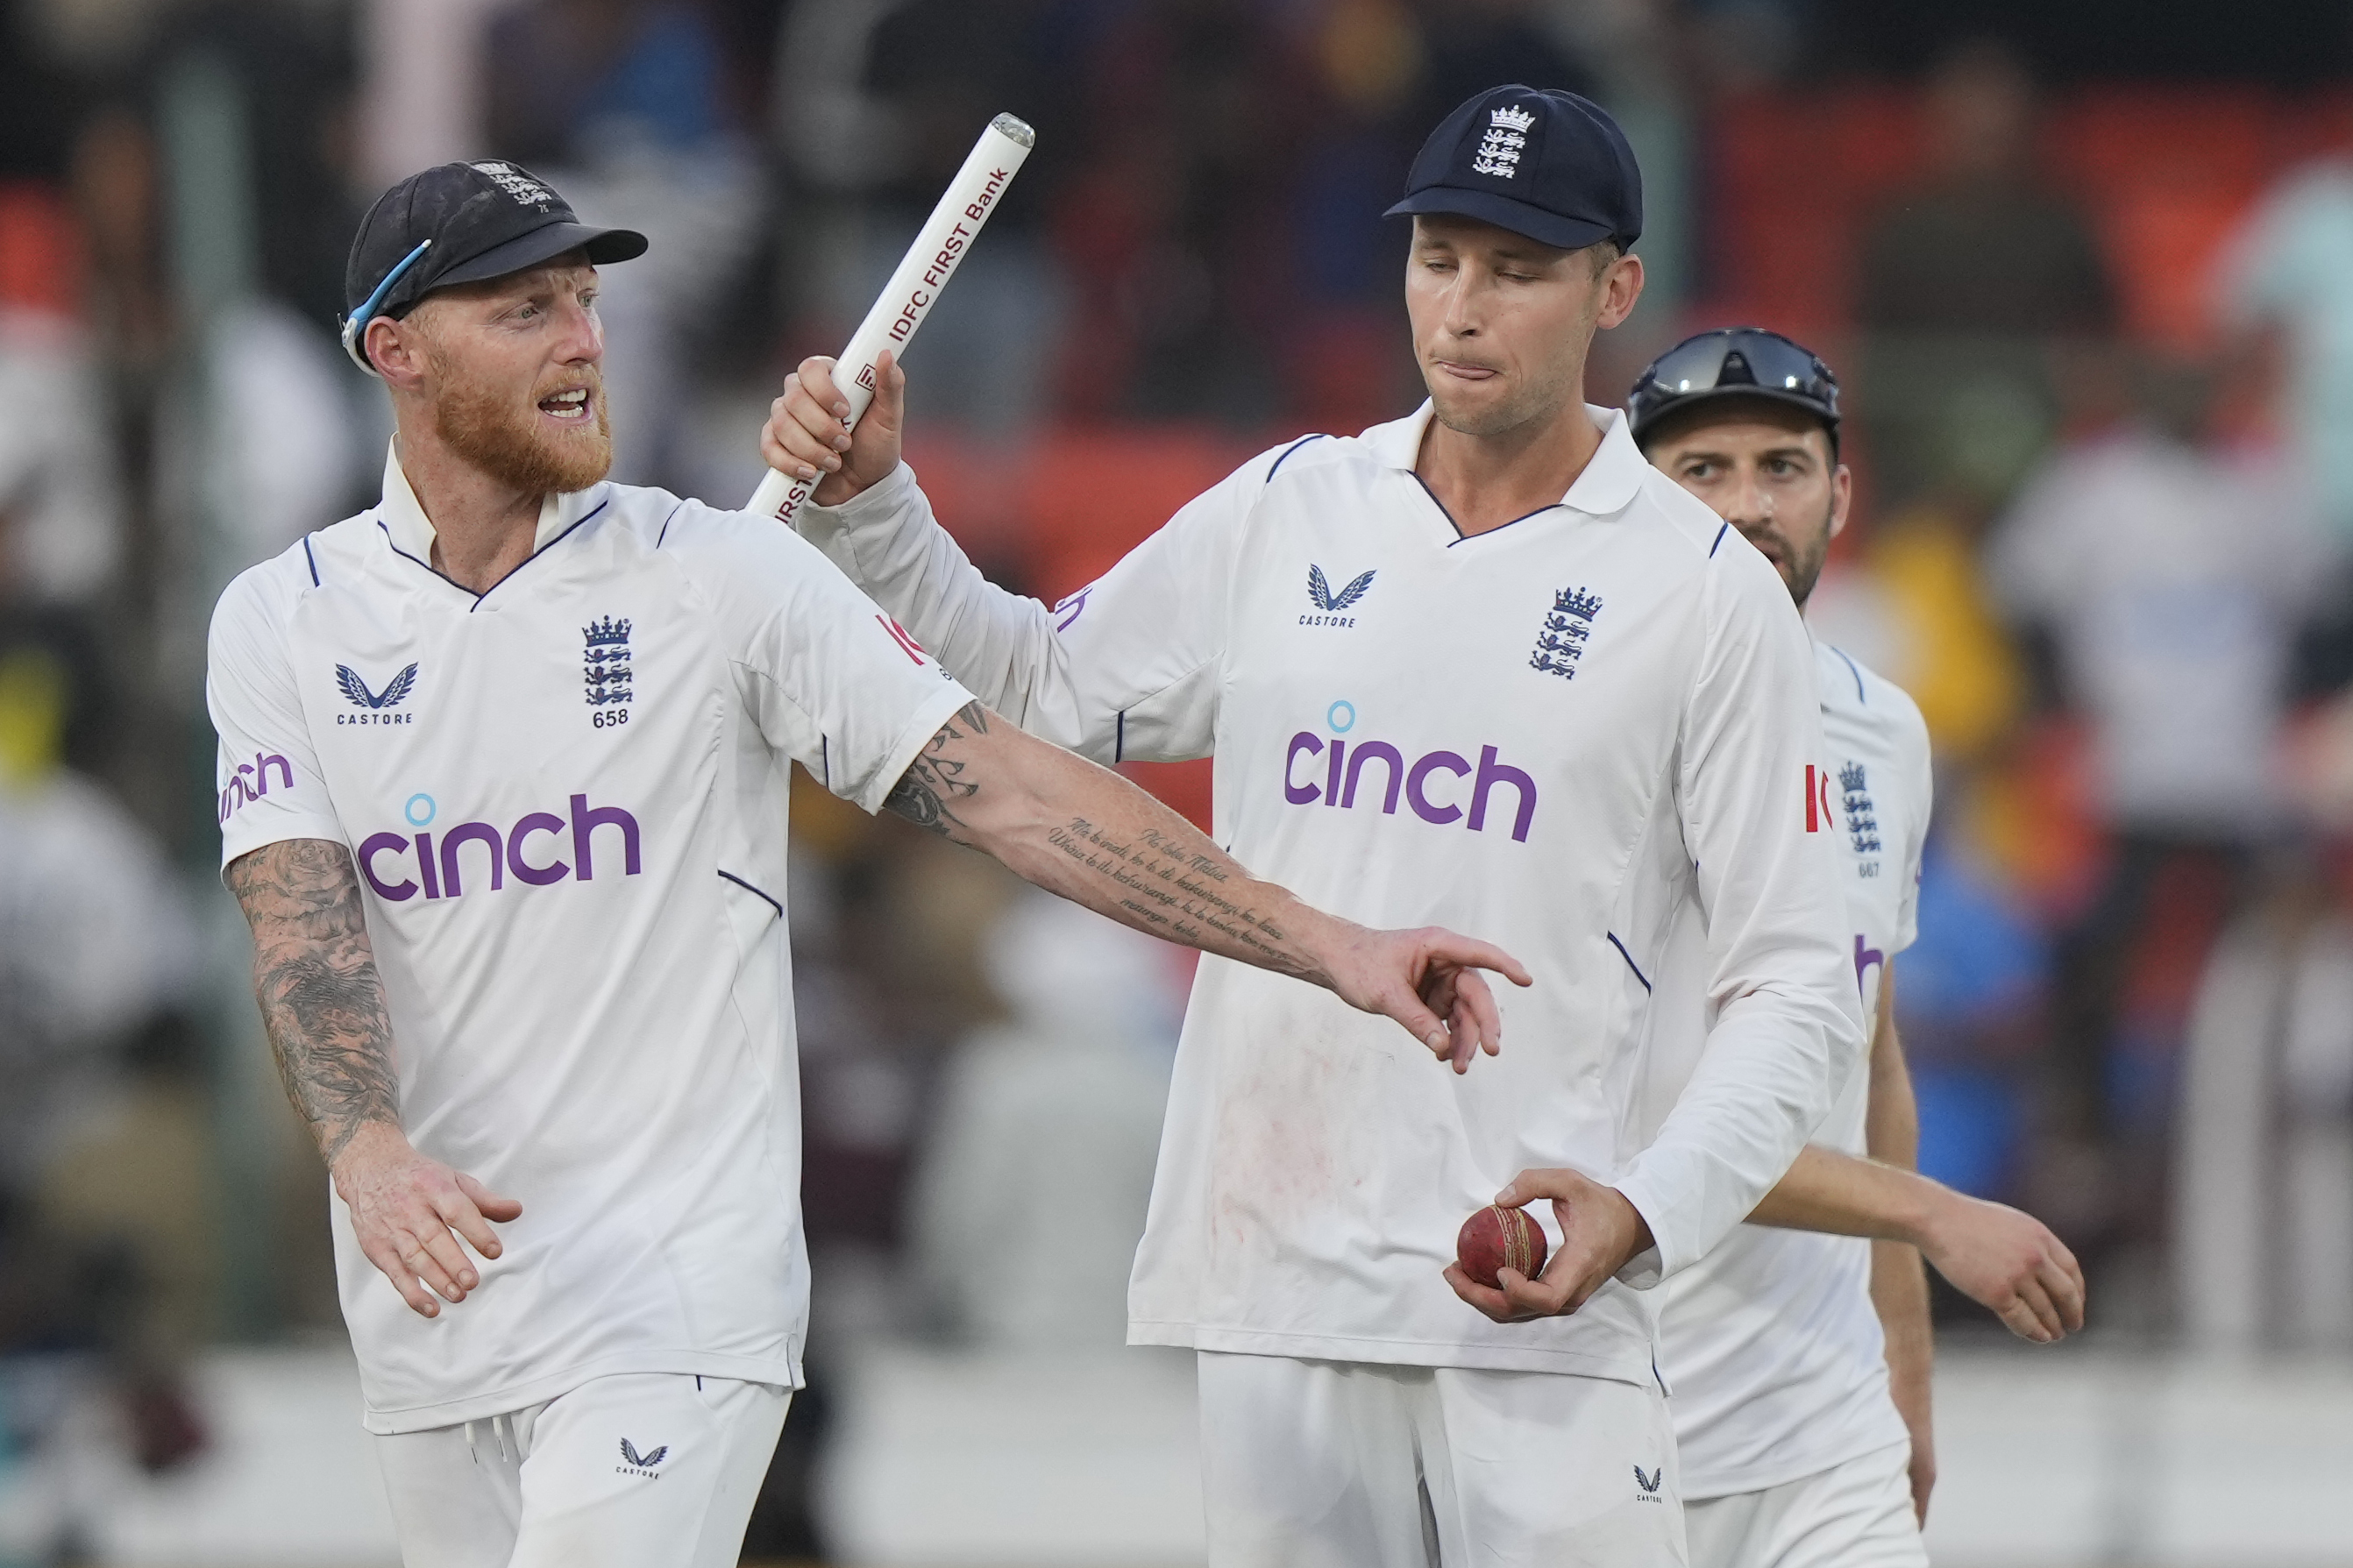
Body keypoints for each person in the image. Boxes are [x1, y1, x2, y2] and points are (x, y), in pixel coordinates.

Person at [205, 159, 1525, 1568]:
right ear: (395, 350)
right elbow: (301, 923)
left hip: (672, 1302)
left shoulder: (721, 576)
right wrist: (366, 1147)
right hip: (432, 1299)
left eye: (586, 301)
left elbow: (1013, 792)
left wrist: (1327, 939)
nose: (584, 340)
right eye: (526, 309)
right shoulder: (283, 620)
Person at [768, 87, 1866, 1565]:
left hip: (1544, 1294)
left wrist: (1640, 1211)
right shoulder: (1295, 504)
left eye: (1519, 271)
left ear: (1615, 290)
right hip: (1278, 1274)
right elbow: (1038, 685)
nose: (1464, 308)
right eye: (1440, 259)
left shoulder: (1709, 590)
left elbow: (1798, 981)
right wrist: (876, 504)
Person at [1629, 329, 2087, 1568]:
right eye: (1702, 469)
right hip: (1602, 1416)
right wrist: (1939, 1215)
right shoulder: (1572, 736)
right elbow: (1655, 1133)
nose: (1748, 504)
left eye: (1783, 465)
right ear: (1630, 492)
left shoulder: (1884, 727)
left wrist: (1906, 1373)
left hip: (1820, 1433)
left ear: (1842, 493)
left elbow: (1865, 1053)